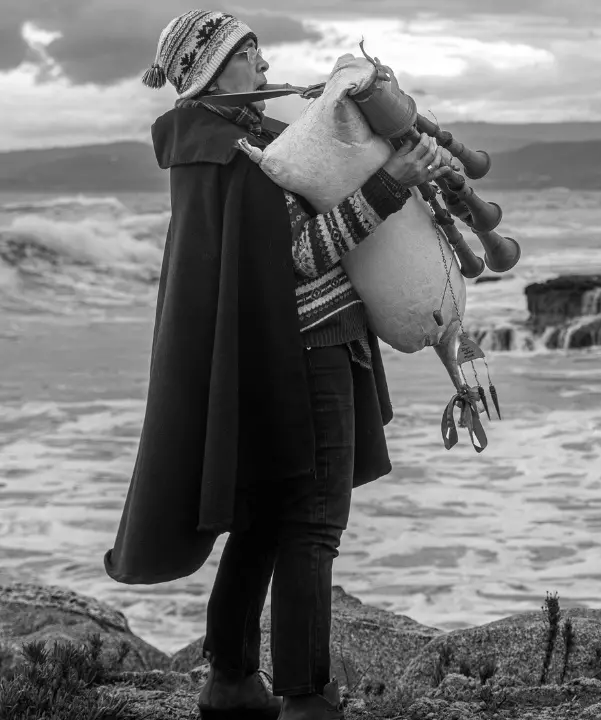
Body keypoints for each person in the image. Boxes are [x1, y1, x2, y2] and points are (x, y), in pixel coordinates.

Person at [102, 10, 454, 720]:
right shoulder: (241, 155)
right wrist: (392, 185)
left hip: (265, 355)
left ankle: (231, 681)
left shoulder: (215, 145)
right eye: (248, 55)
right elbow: (300, 255)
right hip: (308, 353)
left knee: (263, 519)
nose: (263, 69)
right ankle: (305, 696)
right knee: (312, 526)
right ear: (211, 71)